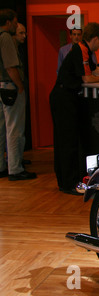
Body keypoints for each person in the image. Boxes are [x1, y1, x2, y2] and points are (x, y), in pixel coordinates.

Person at [49, 22, 99, 195]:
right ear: (96, 38)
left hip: (65, 98)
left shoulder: (84, 50)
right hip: (63, 98)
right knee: (67, 141)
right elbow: (87, 78)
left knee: (67, 139)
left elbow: (93, 69)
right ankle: (68, 183)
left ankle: (66, 180)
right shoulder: (80, 50)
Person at [0, 9, 36, 181]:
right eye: (15, 22)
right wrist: (20, 86)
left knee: (2, 129)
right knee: (14, 129)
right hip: (10, 87)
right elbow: (10, 66)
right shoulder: (5, 37)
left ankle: (2, 165)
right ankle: (15, 168)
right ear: (8, 22)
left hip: (2, 87)